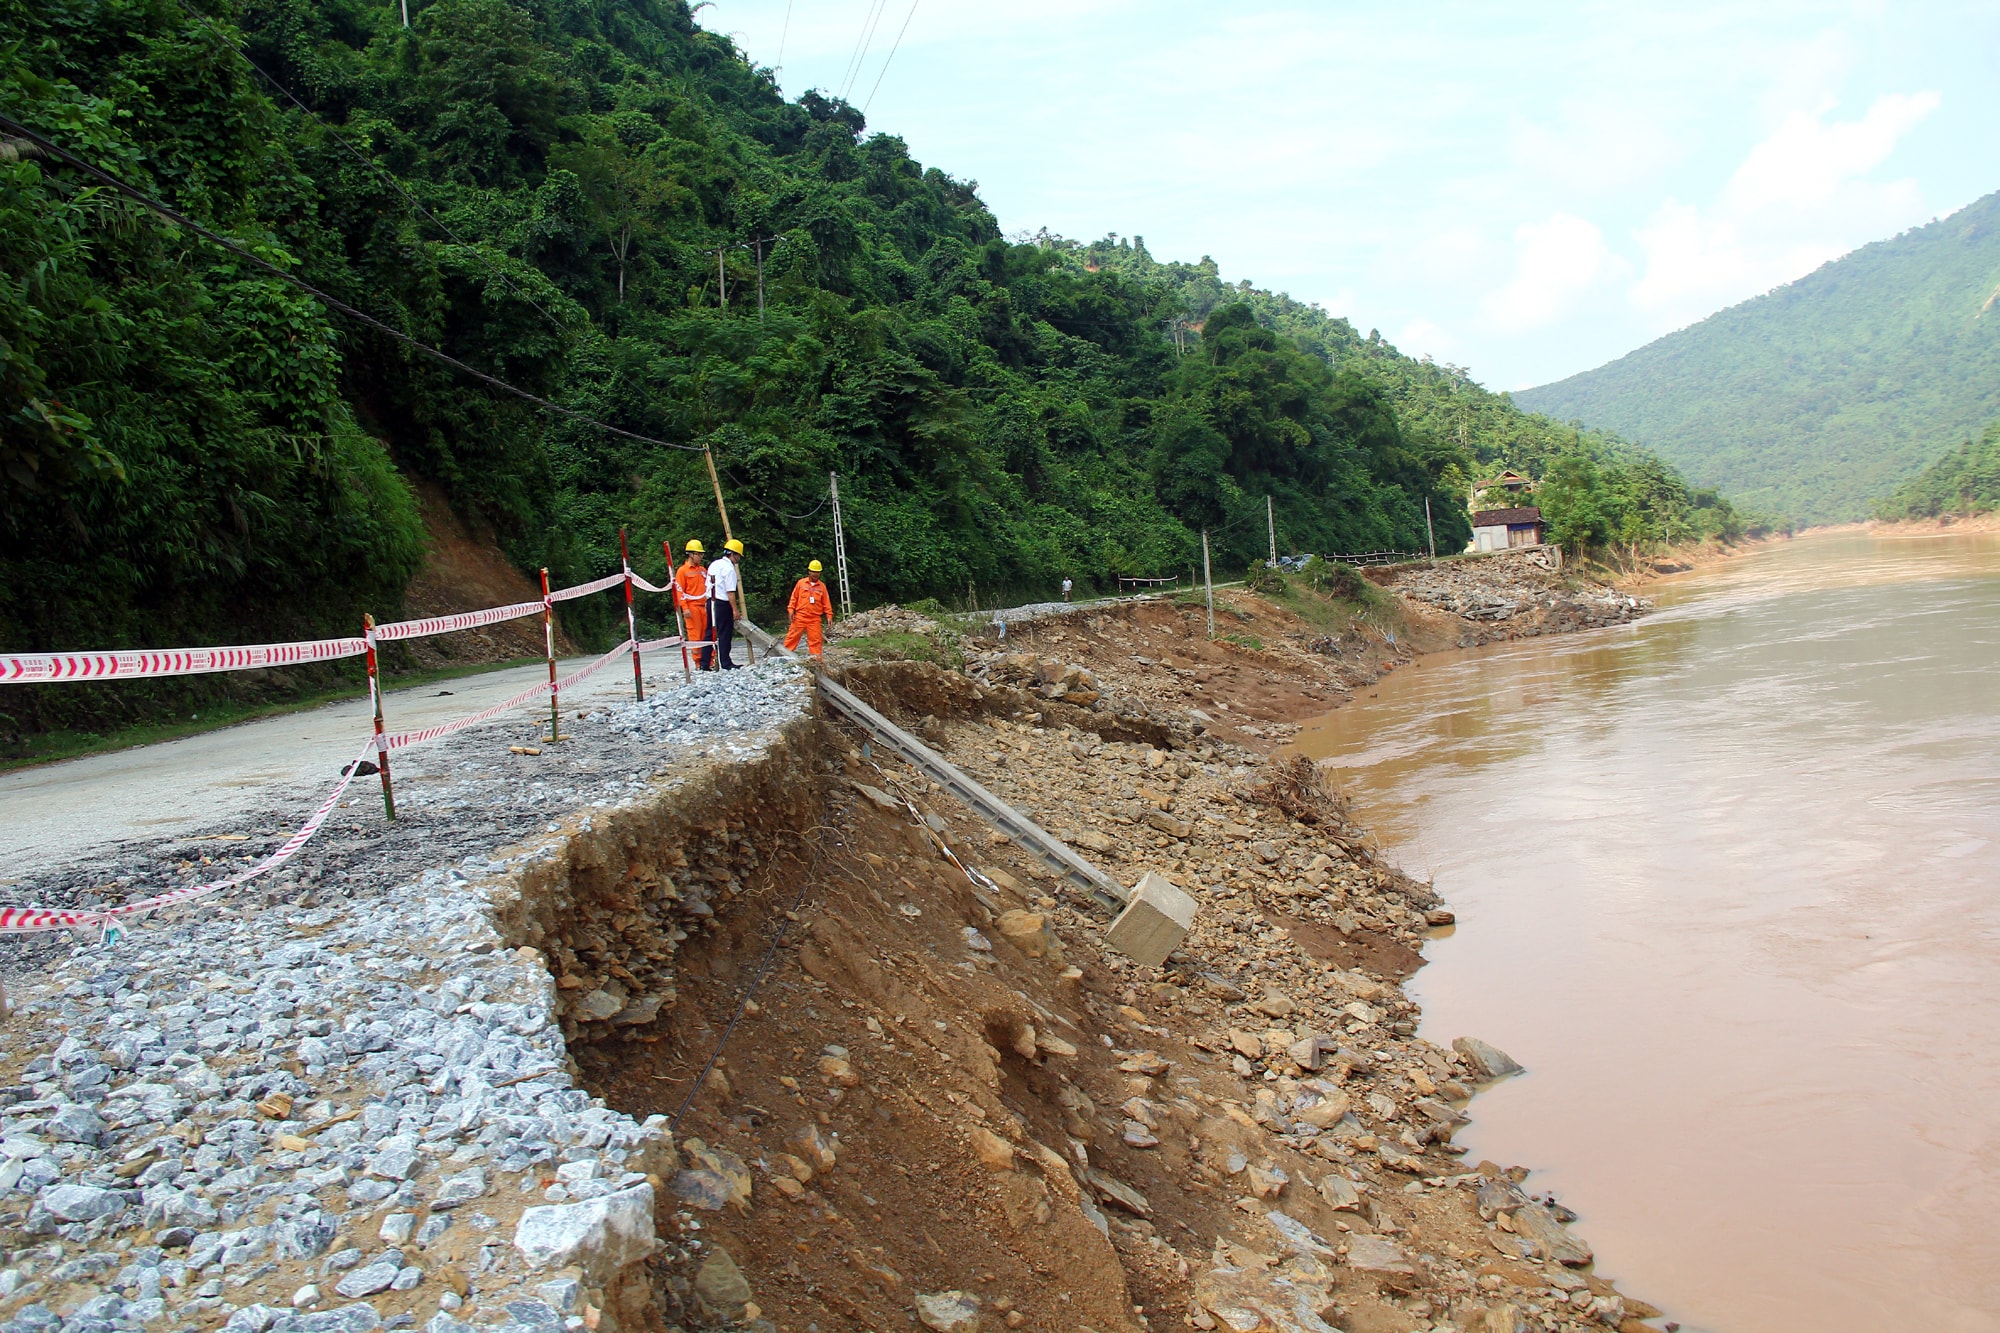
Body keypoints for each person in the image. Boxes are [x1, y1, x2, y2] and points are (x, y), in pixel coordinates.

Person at [785, 560, 835, 659]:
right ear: (809, 571)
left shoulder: (822, 587)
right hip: (800, 617)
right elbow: (794, 598)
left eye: (818, 572)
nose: (816, 574)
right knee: (791, 638)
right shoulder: (801, 583)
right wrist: (791, 610)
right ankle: (783, 657)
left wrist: (829, 615)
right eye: (814, 571)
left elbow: (826, 602)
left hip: (814, 619)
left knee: (816, 642)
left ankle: (817, 663)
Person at [675, 541, 712, 670]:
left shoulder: (702, 570)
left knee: (707, 634)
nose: (701, 557)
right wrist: (685, 608)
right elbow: (679, 591)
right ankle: (698, 662)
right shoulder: (682, 571)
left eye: (701, 554)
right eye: (698, 554)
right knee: (695, 635)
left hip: (704, 606)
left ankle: (709, 660)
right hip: (692, 608)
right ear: (691, 554)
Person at [708, 538, 745, 670]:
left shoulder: (714, 564)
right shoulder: (729, 569)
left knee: (709, 633)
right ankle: (725, 662)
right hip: (722, 604)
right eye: (739, 556)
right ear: (734, 554)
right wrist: (735, 610)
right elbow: (730, 592)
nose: (739, 559)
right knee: (724, 633)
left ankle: (705, 663)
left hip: (710, 601)